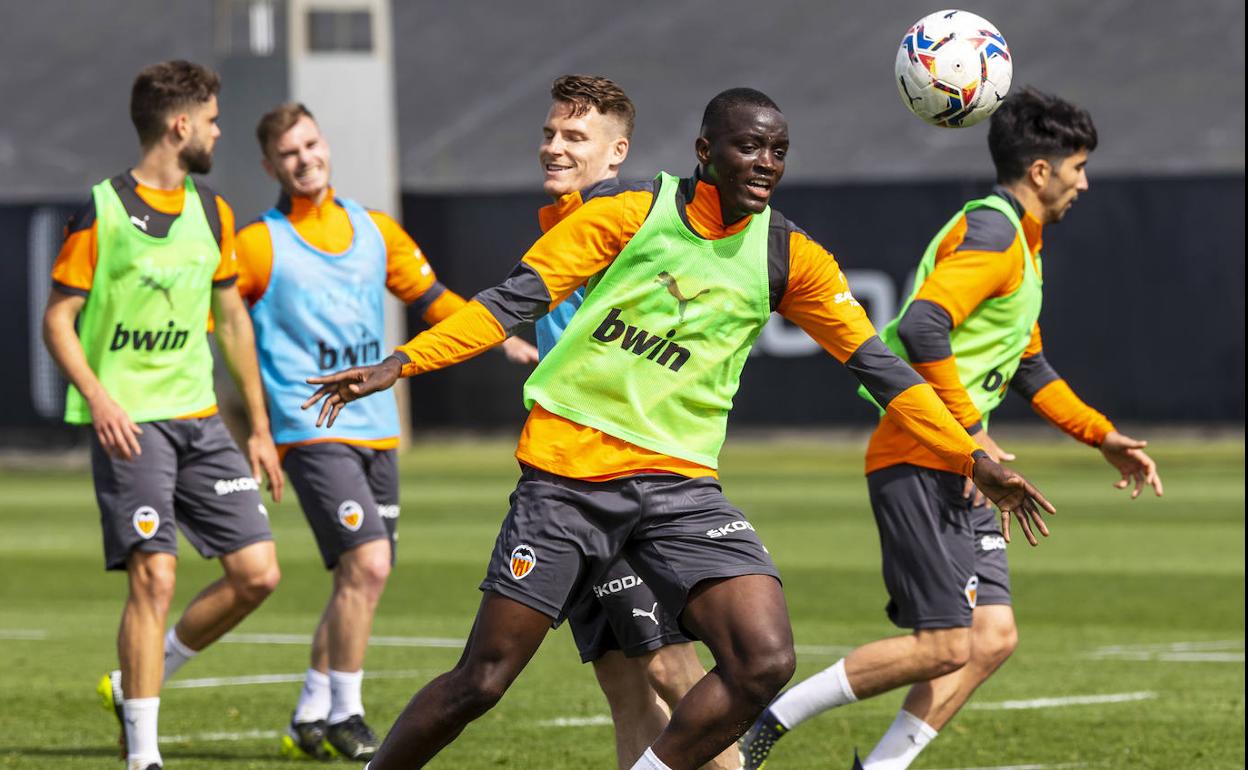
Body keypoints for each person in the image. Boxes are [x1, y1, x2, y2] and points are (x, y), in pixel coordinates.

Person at [305, 87, 1054, 770]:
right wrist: (400, 363)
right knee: (483, 681)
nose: (766, 163)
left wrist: (967, 453)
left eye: (778, 152)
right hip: (568, 480)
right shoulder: (630, 211)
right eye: (749, 147)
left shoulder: (790, 256)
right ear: (705, 152)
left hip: (679, 487)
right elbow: (510, 301)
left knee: (763, 659)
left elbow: (883, 368)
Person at [741, 87, 1163, 770]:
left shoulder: (1019, 242)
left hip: (962, 465)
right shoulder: (996, 235)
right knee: (943, 645)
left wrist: (1102, 436)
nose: (1084, 181)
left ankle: (878, 769)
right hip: (923, 457)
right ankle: (762, 724)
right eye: (1078, 166)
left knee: (991, 636)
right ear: (1040, 171)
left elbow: (1028, 365)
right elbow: (919, 325)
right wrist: (972, 436)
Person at [232, 102, 537, 761]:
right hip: (311, 425)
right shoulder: (257, 244)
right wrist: (255, 424)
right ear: (270, 166)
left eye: (311, 144)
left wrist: (497, 337)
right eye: (289, 153)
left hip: (378, 427)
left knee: (362, 575)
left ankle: (311, 710)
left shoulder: (376, 231)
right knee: (367, 565)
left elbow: (433, 303)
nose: (305, 158)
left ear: (325, 145)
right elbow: (223, 326)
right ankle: (346, 712)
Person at [42, 60, 283, 770]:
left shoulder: (215, 212)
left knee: (258, 574)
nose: (215, 132)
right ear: (180, 126)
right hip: (132, 426)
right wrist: (100, 396)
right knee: (155, 577)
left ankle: (139, 682)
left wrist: (261, 429)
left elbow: (233, 321)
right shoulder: (103, 209)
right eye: (210, 120)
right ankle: (143, 755)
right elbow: (59, 319)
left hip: (201, 422)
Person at [534, 74, 739, 770]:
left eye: (574, 137)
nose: (553, 147)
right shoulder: (562, 224)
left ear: (616, 153)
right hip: (565, 485)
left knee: (674, 674)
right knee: (623, 683)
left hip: (622, 483)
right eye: (550, 133)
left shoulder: (626, 226)